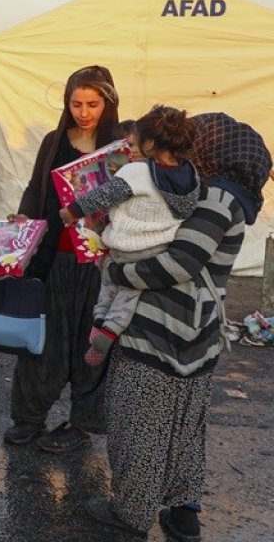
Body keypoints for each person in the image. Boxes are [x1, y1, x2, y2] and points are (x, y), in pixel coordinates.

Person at [84, 112, 270, 539]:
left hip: (161, 328)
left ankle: (131, 512)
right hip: (197, 334)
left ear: (213, 149)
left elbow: (179, 263)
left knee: (139, 422)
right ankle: (184, 514)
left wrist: (115, 271)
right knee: (184, 428)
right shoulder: (215, 194)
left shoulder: (216, 199)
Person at [4, 65, 120, 453]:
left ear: (108, 103)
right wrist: (25, 218)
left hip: (101, 267)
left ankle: (81, 424)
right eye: (76, 104)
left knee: (92, 344)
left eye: (93, 104)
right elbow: (37, 188)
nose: (84, 112)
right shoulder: (55, 142)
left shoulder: (121, 148)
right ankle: (28, 418)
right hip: (55, 259)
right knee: (44, 341)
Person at [59, 106, 198, 367]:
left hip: (125, 246)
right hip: (157, 251)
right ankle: (109, 330)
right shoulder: (190, 174)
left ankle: (100, 323)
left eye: (135, 143)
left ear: (150, 144)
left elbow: (104, 196)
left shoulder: (137, 172)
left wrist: (72, 211)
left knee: (109, 281)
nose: (130, 149)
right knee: (129, 294)